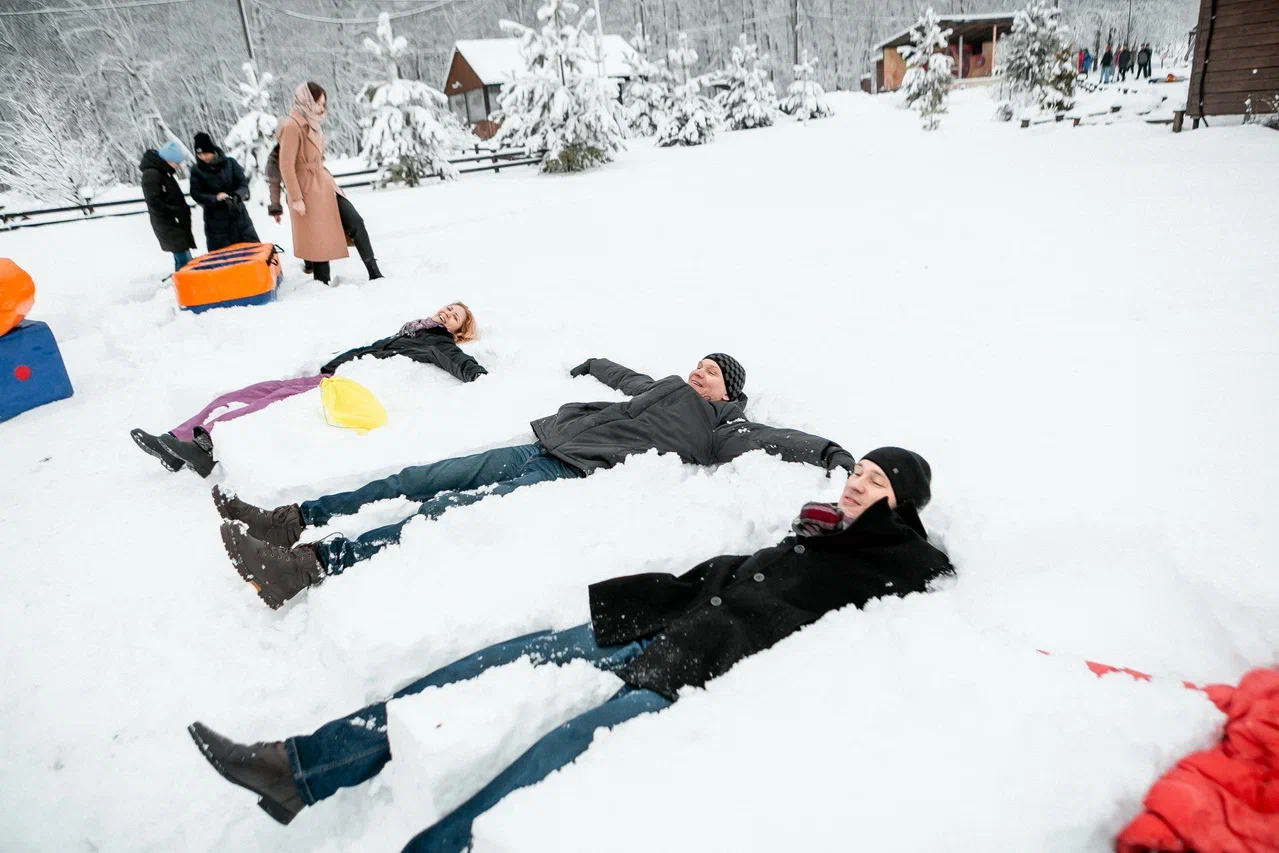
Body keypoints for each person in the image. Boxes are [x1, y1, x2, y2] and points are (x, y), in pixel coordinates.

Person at [187, 448, 954, 852]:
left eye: (874, 479)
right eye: (854, 471)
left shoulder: (898, 557)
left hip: (697, 671)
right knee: (474, 671)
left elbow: (926, 584)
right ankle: (299, 766)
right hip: (650, 621)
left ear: (902, 500)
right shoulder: (815, 525)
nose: (855, 484)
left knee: (552, 761)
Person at [215, 353, 855, 608]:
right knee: (420, 476)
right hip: (545, 440)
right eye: (697, 365)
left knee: (441, 513)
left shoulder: (723, 431)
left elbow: (775, 441)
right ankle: (293, 517)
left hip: (566, 469)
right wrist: (595, 363)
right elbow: (628, 381)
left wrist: (826, 450)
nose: (698, 374)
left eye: (711, 372)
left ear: (729, 391)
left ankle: (305, 564)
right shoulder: (666, 385)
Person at [129, 303, 482, 478]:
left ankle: (204, 444)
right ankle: (175, 444)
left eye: (454, 316)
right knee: (242, 393)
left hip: (338, 387)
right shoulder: (408, 332)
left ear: (458, 331)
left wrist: (480, 377)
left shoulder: (435, 339)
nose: (446, 313)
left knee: (267, 402)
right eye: (447, 308)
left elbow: (451, 357)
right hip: (327, 374)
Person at [278, 82, 383, 285]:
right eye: (318, 103)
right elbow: (285, 165)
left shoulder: (313, 122)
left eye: (323, 103)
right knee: (318, 237)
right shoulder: (291, 125)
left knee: (355, 221)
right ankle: (321, 284)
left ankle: (374, 272)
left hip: (323, 183)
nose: (322, 108)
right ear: (306, 100)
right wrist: (297, 198)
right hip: (306, 188)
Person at [189, 132, 259, 252]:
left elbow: (243, 184)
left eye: (205, 153)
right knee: (223, 258)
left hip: (238, 215)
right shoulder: (196, 170)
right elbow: (196, 193)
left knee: (251, 251)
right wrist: (215, 198)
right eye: (199, 154)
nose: (203, 157)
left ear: (212, 151)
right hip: (215, 221)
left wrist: (236, 196)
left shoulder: (230, 163)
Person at [140, 141, 196, 271]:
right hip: (169, 224)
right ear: (168, 159)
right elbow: (154, 202)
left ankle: (184, 286)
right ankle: (185, 288)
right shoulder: (152, 174)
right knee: (184, 262)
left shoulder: (163, 172)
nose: (177, 166)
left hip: (174, 223)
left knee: (183, 258)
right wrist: (174, 212)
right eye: (176, 162)